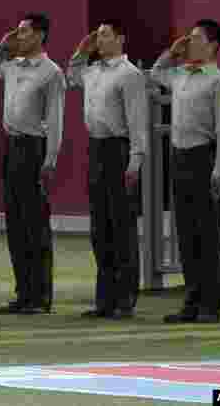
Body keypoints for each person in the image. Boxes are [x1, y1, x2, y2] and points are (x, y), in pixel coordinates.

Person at [149, 19, 220, 323]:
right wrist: (172, 53)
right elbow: (156, 75)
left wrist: (219, 169)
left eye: (195, 38)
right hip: (179, 156)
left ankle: (210, 304)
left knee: (206, 234)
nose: (189, 42)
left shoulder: (219, 81)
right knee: (185, 233)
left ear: (212, 45)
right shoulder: (180, 74)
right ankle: (192, 300)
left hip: (204, 157)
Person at [68, 20, 149, 319]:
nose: (99, 41)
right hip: (97, 148)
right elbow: (72, 76)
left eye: (105, 35)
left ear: (121, 39)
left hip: (119, 149)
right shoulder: (91, 71)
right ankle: (105, 299)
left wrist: (135, 161)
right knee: (100, 228)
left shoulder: (130, 75)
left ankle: (125, 299)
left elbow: (138, 121)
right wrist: (80, 50)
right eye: (97, 36)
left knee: (121, 227)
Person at [0, 14, 66, 315]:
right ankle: (23, 292)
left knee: (35, 225)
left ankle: (40, 296)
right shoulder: (11, 66)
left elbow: (56, 120)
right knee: (16, 224)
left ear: (40, 36)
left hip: (35, 148)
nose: (18, 36)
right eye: (17, 32)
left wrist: (51, 159)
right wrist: (2, 45)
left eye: (23, 32)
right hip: (13, 146)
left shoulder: (51, 73)